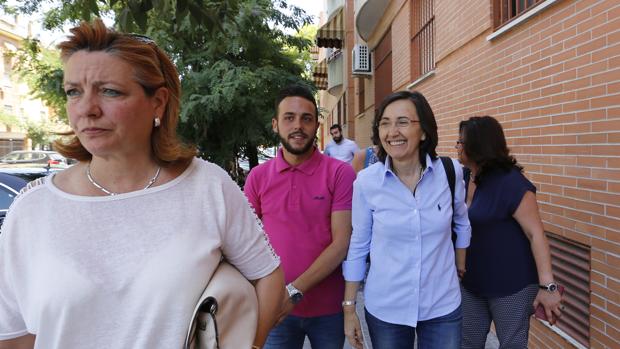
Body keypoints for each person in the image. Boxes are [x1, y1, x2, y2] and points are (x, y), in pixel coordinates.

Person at [0, 19, 284, 349]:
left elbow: (267, 275)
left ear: (158, 102)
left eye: (109, 91)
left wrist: (252, 344)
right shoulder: (33, 208)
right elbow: (13, 336)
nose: (87, 109)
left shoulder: (207, 186)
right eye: (74, 91)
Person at [342, 91, 471, 349]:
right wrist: (349, 307)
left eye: (402, 122)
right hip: (387, 308)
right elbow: (358, 244)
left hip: (442, 306)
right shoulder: (367, 182)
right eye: (385, 123)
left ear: (423, 131)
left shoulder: (450, 172)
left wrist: (460, 264)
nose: (392, 132)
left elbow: (461, 221)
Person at [244, 85, 356, 349]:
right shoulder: (257, 178)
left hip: (328, 308)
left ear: (317, 125)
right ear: (275, 124)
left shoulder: (339, 173)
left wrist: (292, 292)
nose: (298, 126)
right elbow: (246, 244)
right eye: (289, 117)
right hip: (274, 309)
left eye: (306, 118)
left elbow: (341, 243)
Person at [457, 116, 563, 349]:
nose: (458, 146)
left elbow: (536, 234)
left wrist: (548, 287)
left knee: (511, 345)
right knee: (466, 343)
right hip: (472, 283)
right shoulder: (463, 178)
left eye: (462, 142)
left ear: (479, 145)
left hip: (511, 286)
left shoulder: (512, 183)